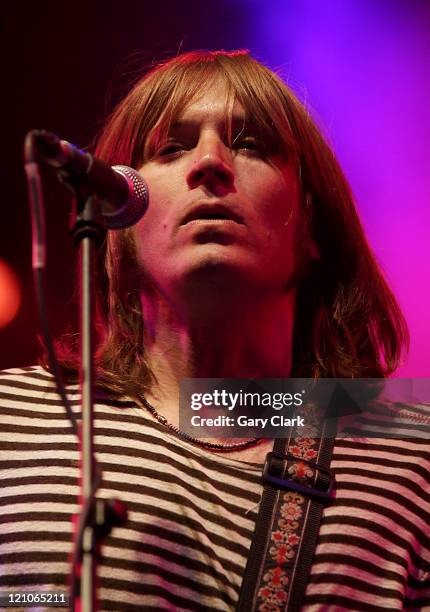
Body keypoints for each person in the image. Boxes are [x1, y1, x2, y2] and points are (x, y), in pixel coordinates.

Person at [1, 49, 429, 611]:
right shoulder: (12, 416)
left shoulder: (411, 447)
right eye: (170, 148)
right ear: (119, 224)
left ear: (313, 226)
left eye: (250, 144)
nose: (209, 162)